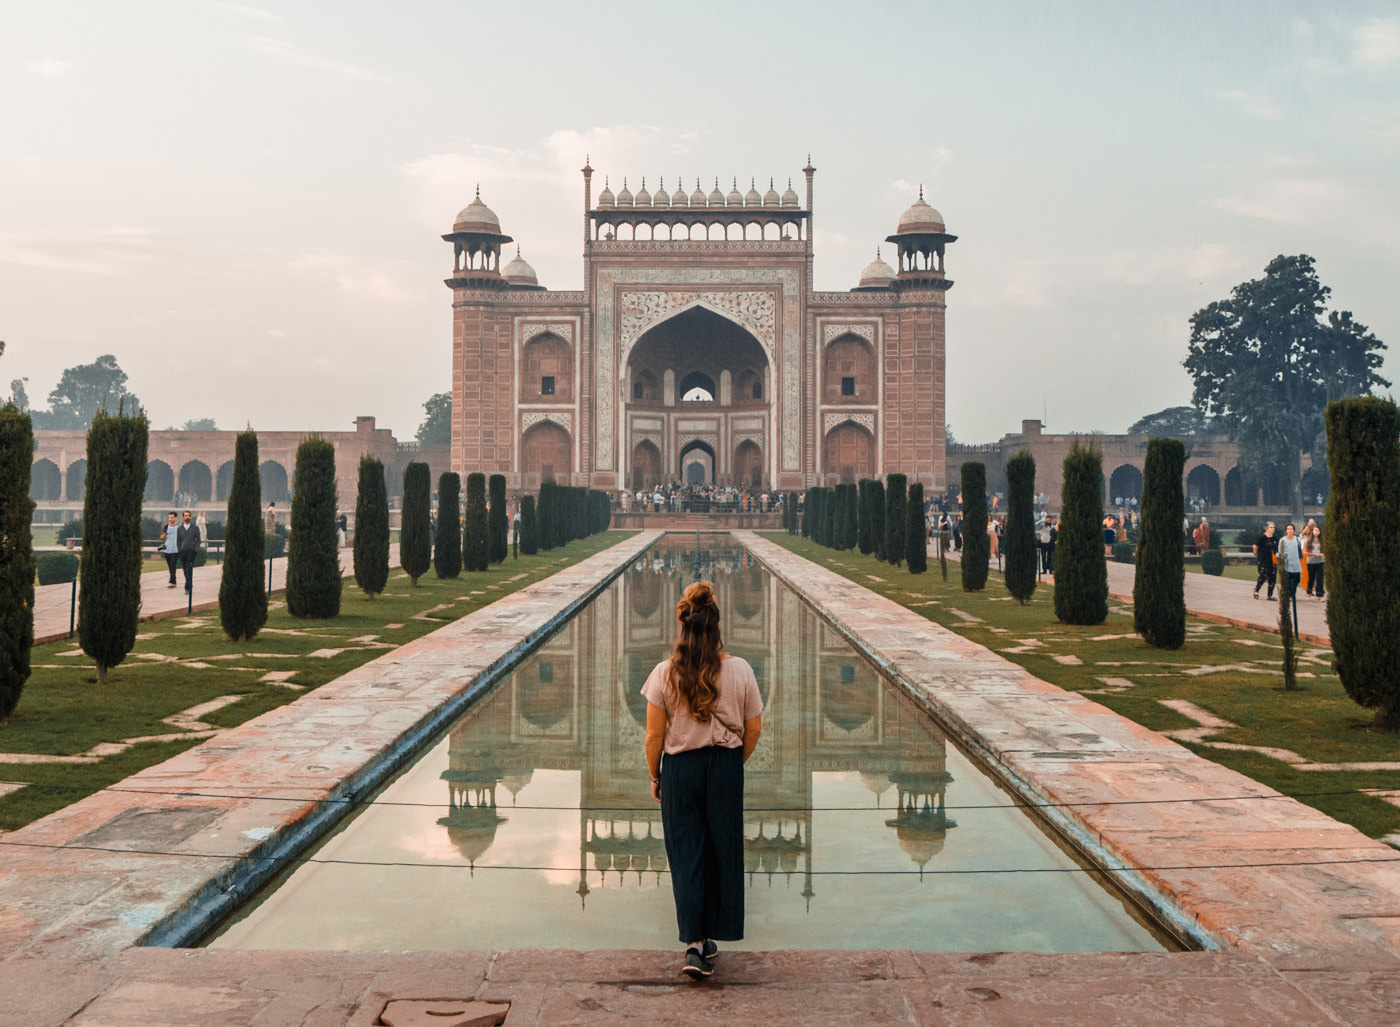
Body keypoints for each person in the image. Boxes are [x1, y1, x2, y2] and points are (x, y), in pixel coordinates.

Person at [642, 581, 763, 980]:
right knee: (721, 850)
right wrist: (733, 762)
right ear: (716, 625)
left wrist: (656, 775)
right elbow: (754, 728)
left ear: (683, 625)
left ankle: (694, 944)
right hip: (724, 767)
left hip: (681, 770)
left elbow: (653, 737)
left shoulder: (663, 674)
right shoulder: (741, 670)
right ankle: (713, 934)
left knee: (687, 853)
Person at [1276, 523, 1305, 602]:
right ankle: (1287, 594)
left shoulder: (1297, 539)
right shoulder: (1283, 540)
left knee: (1296, 579)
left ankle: (1292, 593)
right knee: (1287, 581)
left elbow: (1300, 549)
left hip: (1295, 563)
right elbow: (1280, 551)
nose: (1290, 531)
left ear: (1294, 531)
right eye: (1288, 529)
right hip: (1286, 564)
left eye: (1291, 529)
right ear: (1286, 530)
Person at [176, 509, 201, 594]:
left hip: (191, 551)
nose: (187, 517)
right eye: (186, 516)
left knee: (188, 568)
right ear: (183, 517)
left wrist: (195, 550)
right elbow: (178, 541)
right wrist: (179, 550)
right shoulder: (180, 528)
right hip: (182, 551)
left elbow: (198, 540)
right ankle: (190, 584)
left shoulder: (195, 528)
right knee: (184, 569)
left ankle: (187, 588)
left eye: (189, 515)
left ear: (191, 517)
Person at [1252, 522, 1277, 600]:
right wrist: (1258, 556)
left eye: (1273, 527)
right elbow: (1255, 547)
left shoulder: (1275, 539)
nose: (1273, 529)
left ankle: (1270, 595)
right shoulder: (1262, 538)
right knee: (1263, 576)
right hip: (1263, 561)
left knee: (1272, 578)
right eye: (1271, 527)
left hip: (1273, 562)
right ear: (1266, 529)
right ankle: (1256, 590)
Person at [1304, 523, 1325, 600]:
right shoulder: (1309, 541)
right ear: (1312, 532)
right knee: (1311, 577)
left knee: (1320, 578)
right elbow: (1305, 552)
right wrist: (1314, 554)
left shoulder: (1322, 541)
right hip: (1311, 561)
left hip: (1320, 562)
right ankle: (1308, 592)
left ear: (1320, 532)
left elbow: (1325, 551)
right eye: (1315, 530)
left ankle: (1320, 594)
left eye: (1317, 530)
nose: (1316, 532)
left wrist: (1322, 554)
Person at [159, 511, 180, 588]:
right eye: (169, 518)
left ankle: (172, 581)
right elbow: (161, 537)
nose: (171, 519)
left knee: (172, 565)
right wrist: (164, 535)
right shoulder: (166, 527)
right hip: (167, 550)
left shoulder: (179, 528)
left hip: (176, 550)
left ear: (175, 518)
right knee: (170, 566)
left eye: (172, 517)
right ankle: (173, 579)